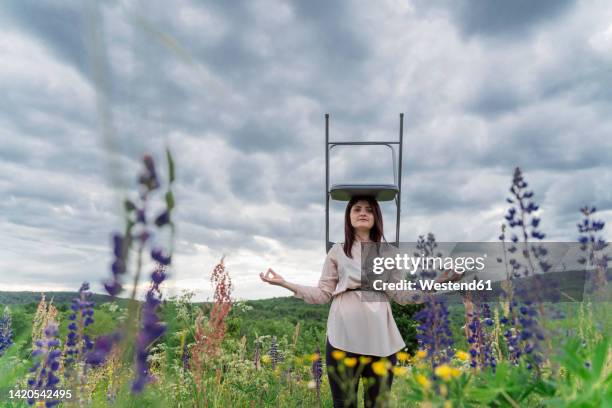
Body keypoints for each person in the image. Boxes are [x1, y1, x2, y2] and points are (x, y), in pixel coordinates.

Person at [260, 195, 461, 407]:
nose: (363, 213)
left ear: (377, 216)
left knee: (377, 403)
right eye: (357, 209)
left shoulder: (390, 253)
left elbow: (402, 295)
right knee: (344, 403)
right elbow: (322, 294)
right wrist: (285, 283)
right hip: (342, 336)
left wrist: (438, 281)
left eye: (369, 209)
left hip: (381, 337)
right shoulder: (338, 250)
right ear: (348, 216)